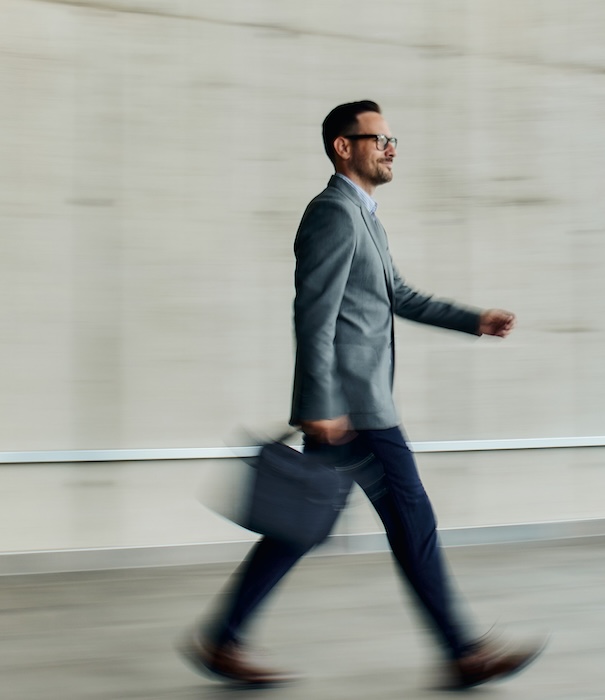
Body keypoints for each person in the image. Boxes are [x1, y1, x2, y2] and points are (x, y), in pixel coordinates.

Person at [184, 100, 543, 690]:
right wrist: (320, 403)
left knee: (303, 524)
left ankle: (221, 640)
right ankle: (462, 652)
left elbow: (397, 293)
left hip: (356, 407)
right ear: (342, 147)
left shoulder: (365, 217)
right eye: (377, 138)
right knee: (410, 520)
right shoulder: (332, 213)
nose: (390, 147)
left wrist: (472, 319)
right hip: (354, 409)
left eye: (392, 138)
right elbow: (313, 314)